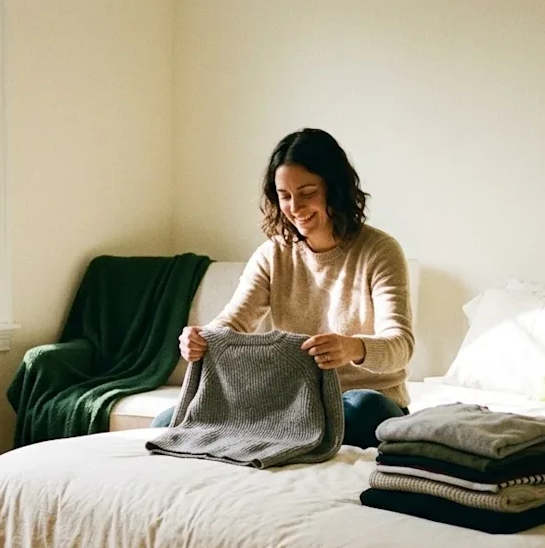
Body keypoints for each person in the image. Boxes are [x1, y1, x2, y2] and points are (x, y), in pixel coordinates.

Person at [152, 128, 416, 448]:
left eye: (307, 193)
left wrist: (352, 348)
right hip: (296, 405)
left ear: (335, 189)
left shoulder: (380, 250)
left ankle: (280, 437)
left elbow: (400, 346)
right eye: (285, 195)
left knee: (366, 410)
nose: (295, 207)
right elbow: (234, 323)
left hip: (365, 403)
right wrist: (202, 339)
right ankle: (286, 437)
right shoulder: (272, 254)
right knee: (168, 421)